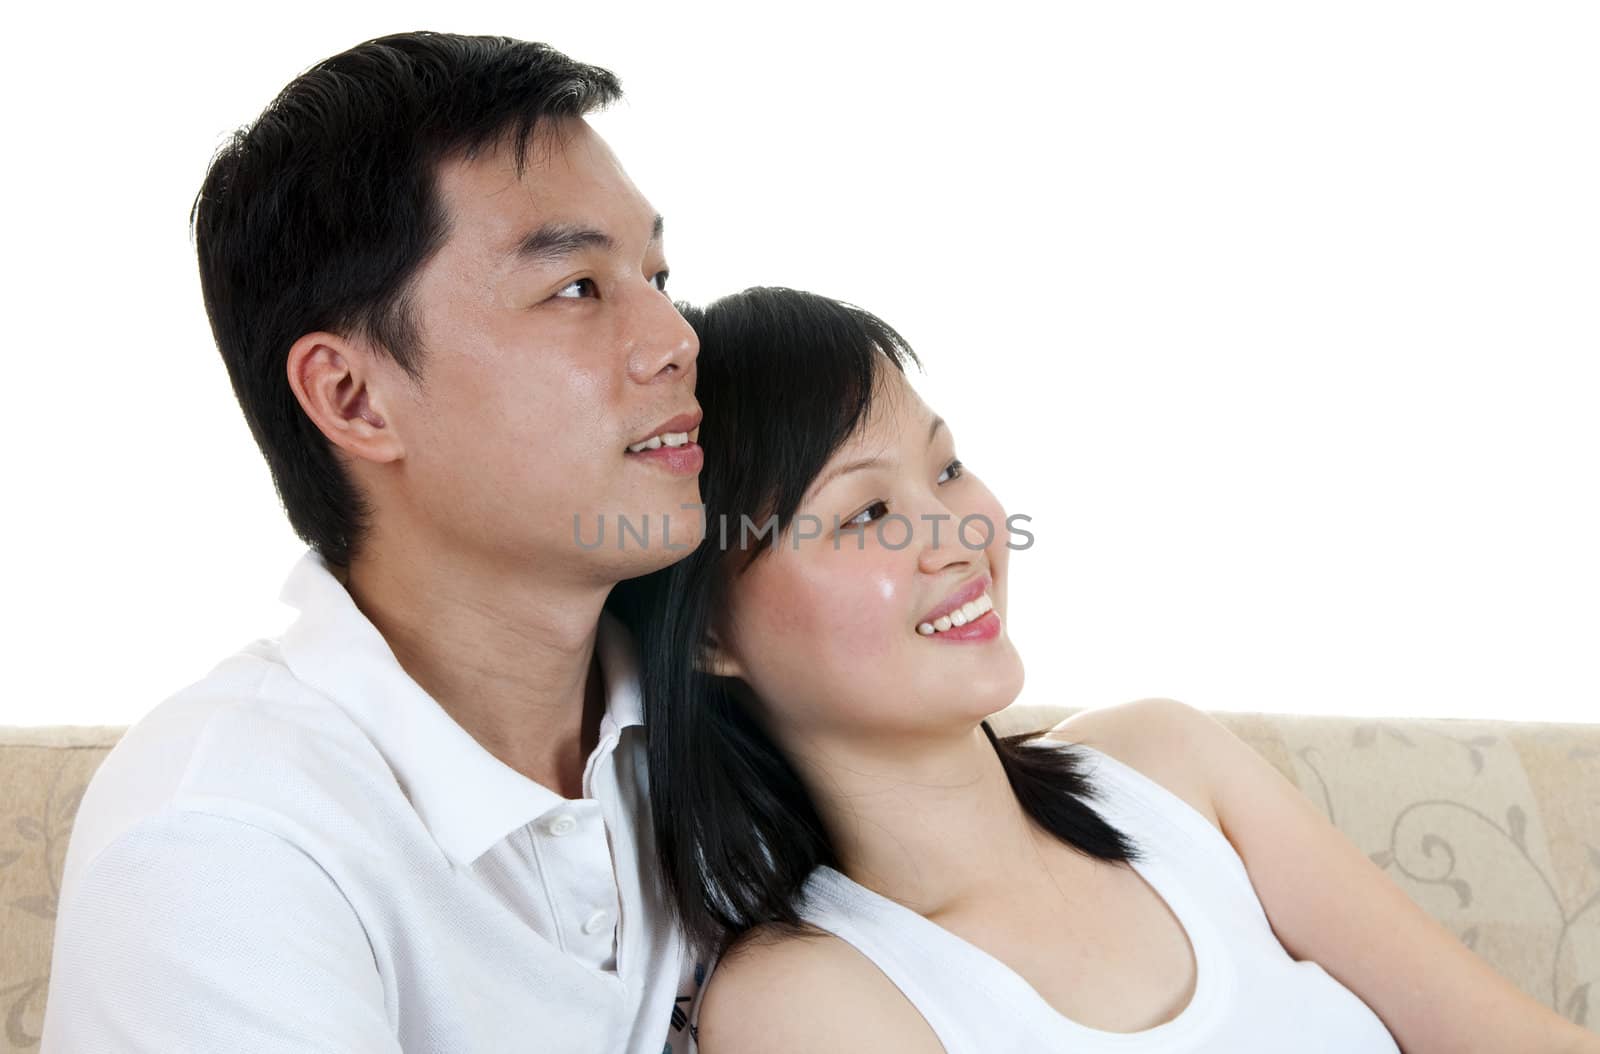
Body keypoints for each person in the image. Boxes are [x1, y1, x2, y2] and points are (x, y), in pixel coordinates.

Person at [608, 286, 1599, 1053]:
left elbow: (1511, 1038)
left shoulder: (1164, 767)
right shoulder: (808, 996)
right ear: (708, 636)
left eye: (946, 468)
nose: (955, 534)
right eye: (867, 513)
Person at [43, 32, 707, 1052]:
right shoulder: (221, 838)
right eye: (576, 287)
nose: (676, 337)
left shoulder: (718, 713)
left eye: (659, 273)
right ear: (353, 397)